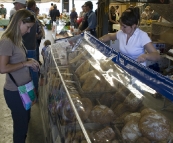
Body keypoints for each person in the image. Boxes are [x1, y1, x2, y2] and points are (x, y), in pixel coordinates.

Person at [0, 9, 39, 143]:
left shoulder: (17, 40)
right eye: (27, 27)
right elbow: (2, 68)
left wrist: (29, 62)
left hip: (24, 89)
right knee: (20, 128)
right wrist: (25, 63)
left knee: (25, 122)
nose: (28, 31)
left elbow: (20, 63)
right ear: (19, 22)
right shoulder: (7, 41)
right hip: (14, 92)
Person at [22, 0, 39, 92]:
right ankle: (34, 90)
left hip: (27, 46)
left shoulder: (27, 15)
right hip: (30, 46)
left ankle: (34, 90)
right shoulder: (30, 15)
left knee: (32, 69)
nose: (28, 30)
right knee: (33, 70)